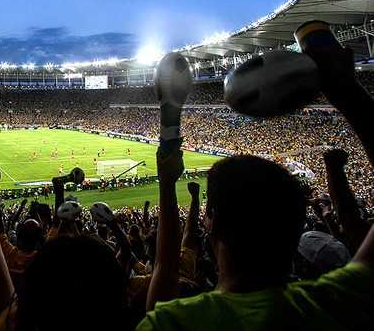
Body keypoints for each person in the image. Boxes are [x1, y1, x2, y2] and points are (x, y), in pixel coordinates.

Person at [138, 38, 374, 330]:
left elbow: (165, 266)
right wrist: (347, 91)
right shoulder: (337, 304)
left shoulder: (172, 321)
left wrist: (167, 177)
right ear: (296, 225)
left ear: (212, 222)